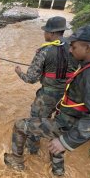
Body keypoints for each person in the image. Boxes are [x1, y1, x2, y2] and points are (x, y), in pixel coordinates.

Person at [4, 23, 90, 176]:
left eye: (74, 47)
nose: (70, 50)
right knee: (56, 143)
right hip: (67, 116)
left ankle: (17, 160)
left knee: (20, 125)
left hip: (67, 123)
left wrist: (68, 141)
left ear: (88, 48)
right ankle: (58, 173)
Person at [14, 16, 78, 154]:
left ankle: (33, 150)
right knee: (57, 124)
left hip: (48, 95)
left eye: (45, 31)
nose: (44, 34)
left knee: (37, 122)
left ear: (52, 33)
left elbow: (31, 78)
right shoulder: (74, 48)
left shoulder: (44, 50)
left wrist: (19, 72)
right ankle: (55, 154)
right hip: (68, 96)